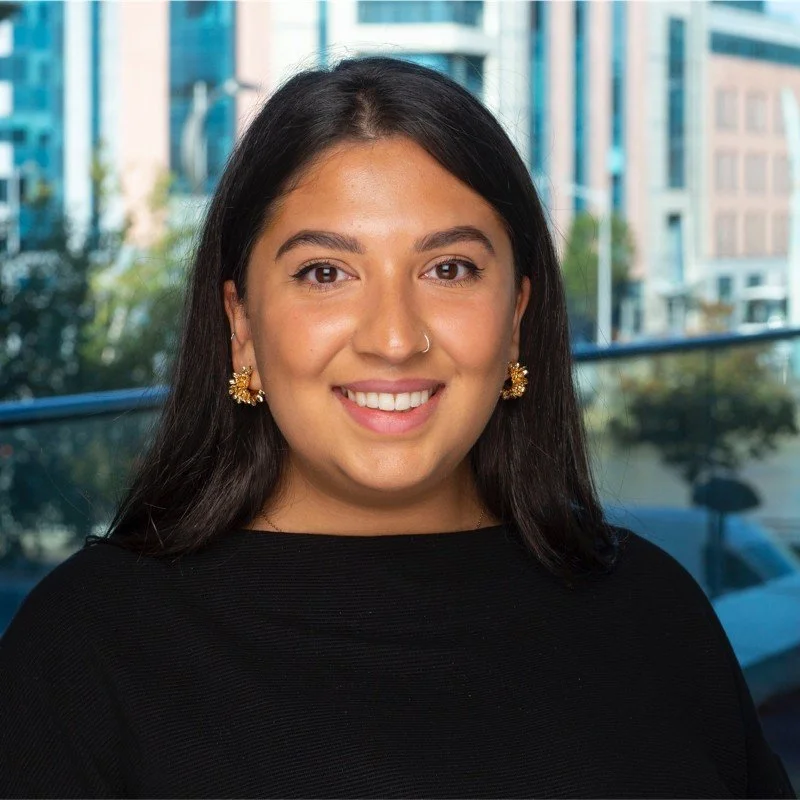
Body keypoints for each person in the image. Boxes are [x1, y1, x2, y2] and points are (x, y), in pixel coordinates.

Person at [0, 56, 795, 799]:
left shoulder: (655, 617)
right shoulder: (86, 651)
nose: (394, 336)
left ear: (517, 315)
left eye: (448, 270)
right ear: (240, 323)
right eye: (326, 273)